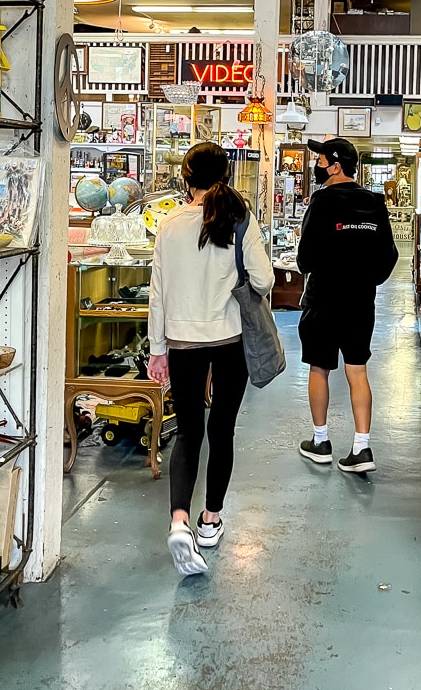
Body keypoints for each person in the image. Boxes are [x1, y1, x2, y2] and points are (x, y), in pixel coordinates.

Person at [148, 141, 274, 576]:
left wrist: (157, 350)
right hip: (229, 340)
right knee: (222, 429)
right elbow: (265, 278)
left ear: (186, 179)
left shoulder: (168, 225)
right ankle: (211, 521)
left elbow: (157, 295)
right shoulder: (241, 219)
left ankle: (179, 519)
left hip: (182, 342)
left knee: (188, 433)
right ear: (226, 175)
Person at [296, 137, 398, 474]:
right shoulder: (375, 202)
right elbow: (390, 256)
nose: (318, 165)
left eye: (321, 160)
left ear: (335, 166)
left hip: (323, 299)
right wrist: (367, 280)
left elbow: (305, 258)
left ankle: (321, 441)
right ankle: (362, 448)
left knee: (319, 367)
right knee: (357, 370)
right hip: (360, 302)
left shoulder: (321, 202)